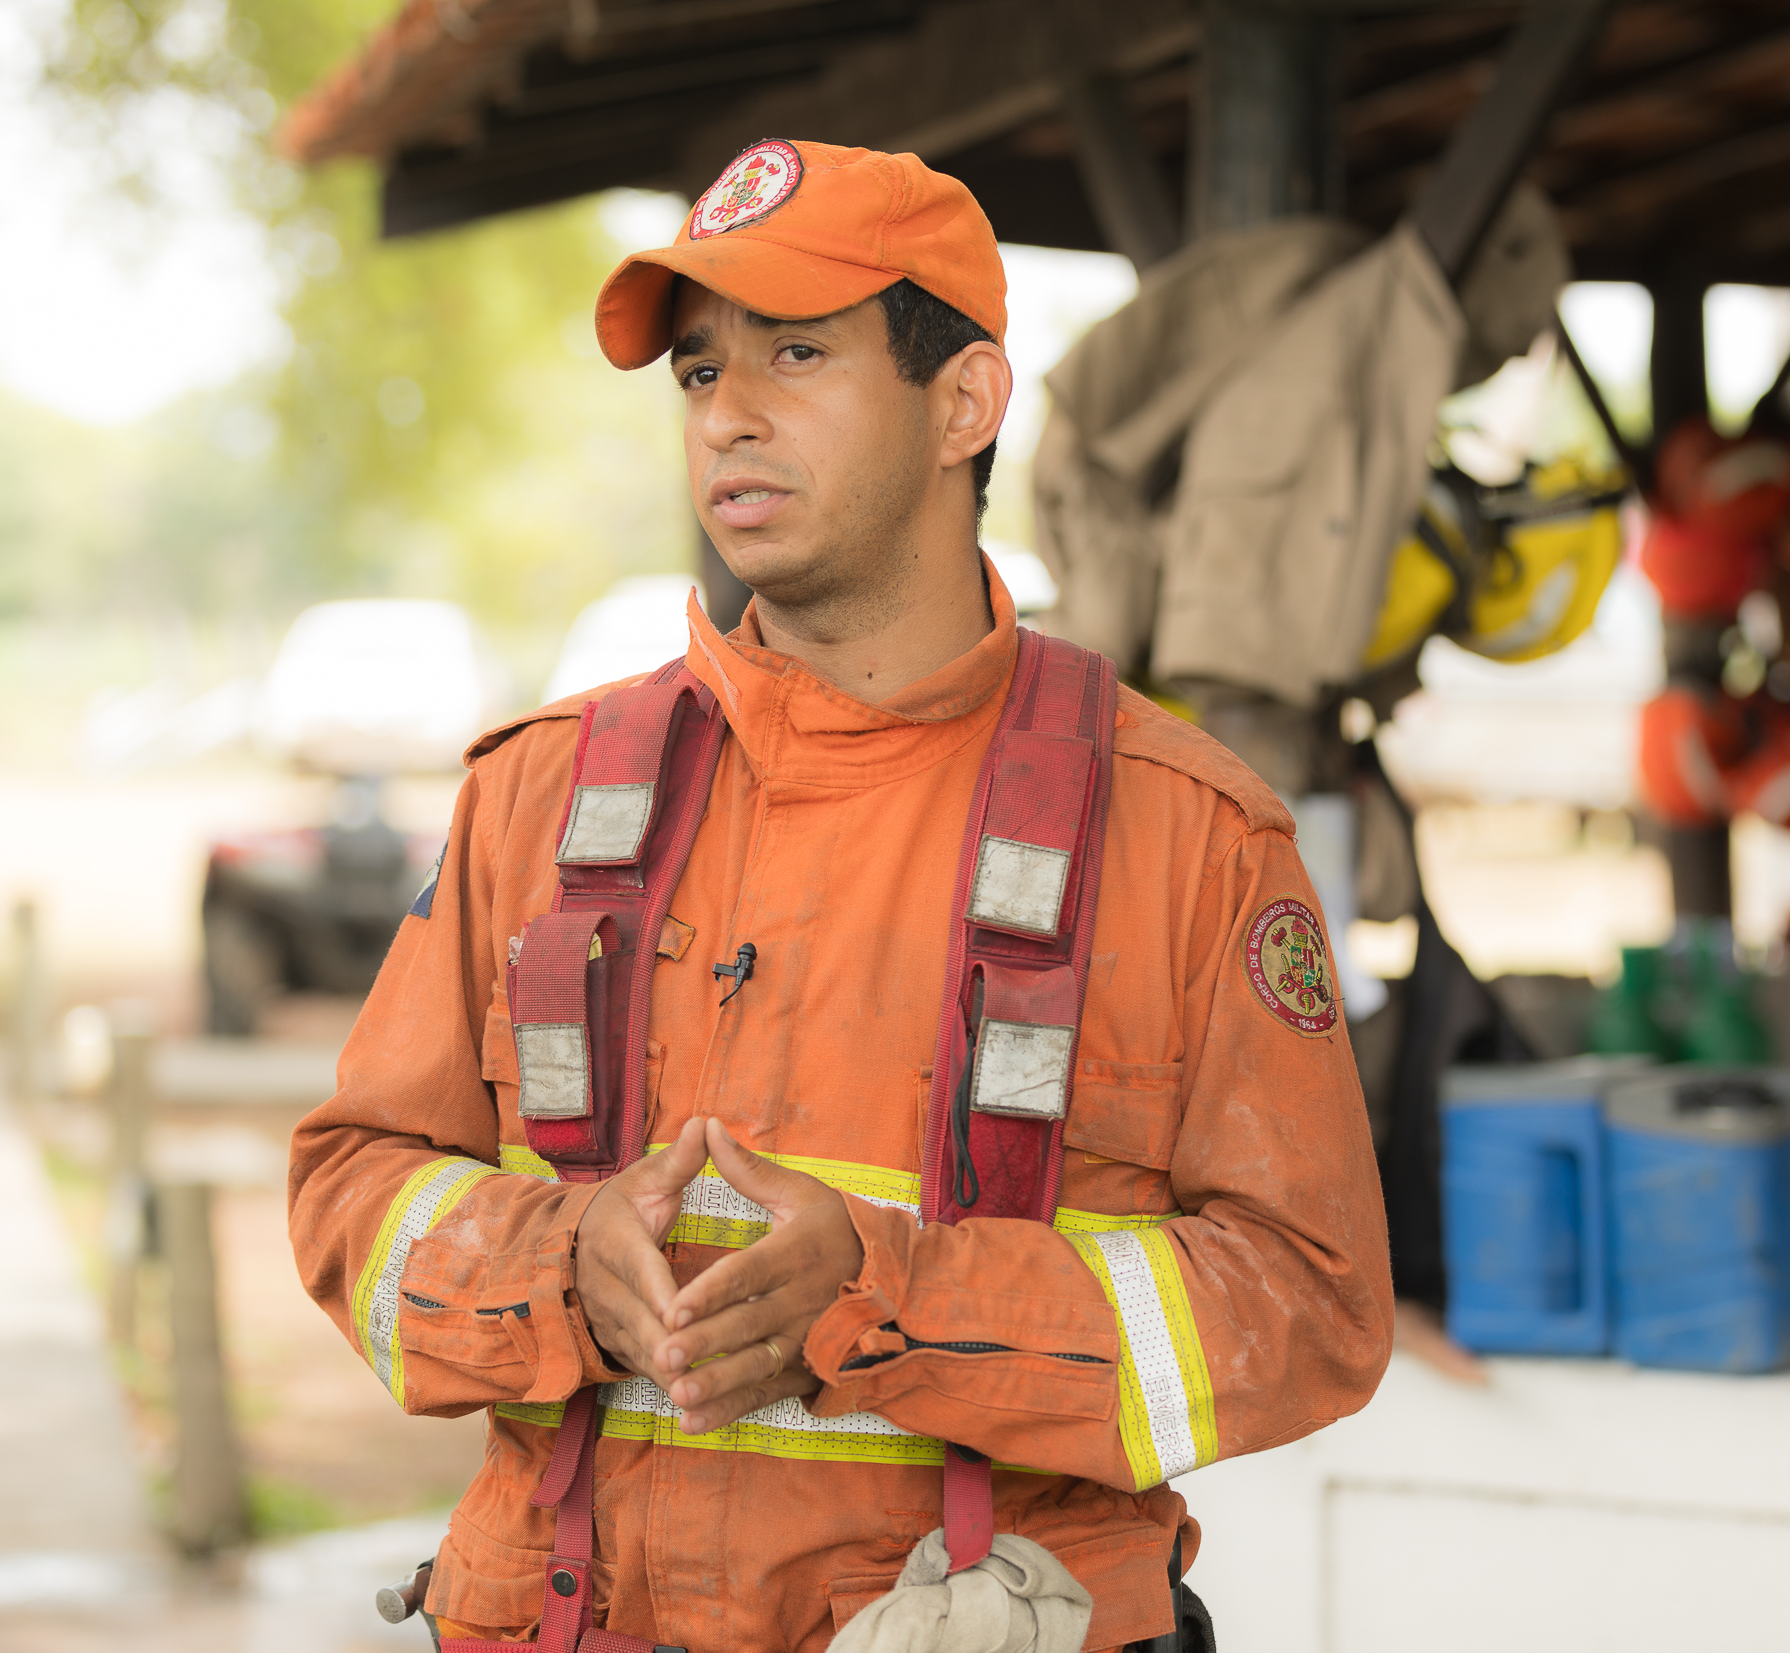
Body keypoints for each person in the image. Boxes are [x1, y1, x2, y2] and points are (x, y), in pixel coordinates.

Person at [288, 138, 1394, 1653]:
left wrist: (893, 1298)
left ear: (966, 403)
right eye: (696, 370)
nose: (728, 414)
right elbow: (353, 1186)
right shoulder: (533, 796)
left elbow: (1310, 1305)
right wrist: (560, 1265)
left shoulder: (1190, 836)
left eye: (796, 352)